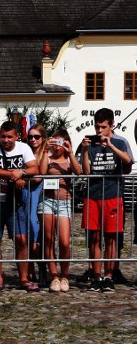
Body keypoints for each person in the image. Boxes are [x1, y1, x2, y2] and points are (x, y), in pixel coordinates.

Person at [0, 121, 40, 292]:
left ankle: (23, 278)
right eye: (3, 136)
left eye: (9, 137)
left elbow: (34, 168)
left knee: (21, 239)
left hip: (16, 200)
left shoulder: (23, 148)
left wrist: (21, 172)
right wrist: (13, 175)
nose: (5, 140)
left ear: (17, 136)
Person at [79, 107, 133, 292]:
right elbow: (86, 171)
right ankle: (96, 275)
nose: (99, 131)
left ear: (112, 125)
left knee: (111, 238)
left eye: (103, 127)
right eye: (97, 127)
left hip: (112, 194)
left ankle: (109, 275)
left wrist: (110, 145)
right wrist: (85, 150)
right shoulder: (89, 144)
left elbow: (127, 161)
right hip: (93, 195)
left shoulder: (120, 141)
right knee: (93, 237)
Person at [39, 130, 81, 292]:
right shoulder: (48, 159)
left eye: (60, 143)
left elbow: (78, 172)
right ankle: (54, 277)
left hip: (64, 202)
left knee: (64, 241)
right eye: (55, 143)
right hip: (47, 201)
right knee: (49, 239)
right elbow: (41, 172)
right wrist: (44, 149)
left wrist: (70, 152)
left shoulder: (69, 160)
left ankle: (65, 275)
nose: (57, 147)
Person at [23, 124, 49, 284]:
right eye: (30, 136)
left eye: (36, 137)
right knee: (26, 233)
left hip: (40, 195)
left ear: (43, 138)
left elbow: (39, 175)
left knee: (37, 233)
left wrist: (22, 176)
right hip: (26, 195)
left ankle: (42, 268)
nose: (33, 139)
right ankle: (30, 269)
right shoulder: (25, 152)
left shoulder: (46, 153)